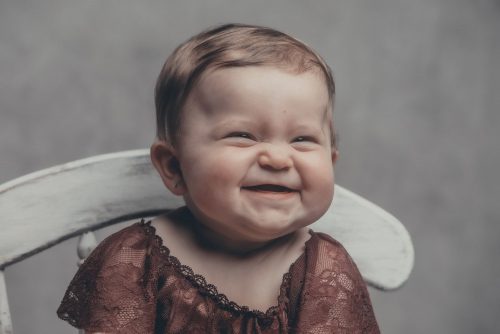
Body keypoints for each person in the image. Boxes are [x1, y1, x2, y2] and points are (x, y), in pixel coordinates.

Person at [57, 23, 380, 333]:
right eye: (243, 135)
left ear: (331, 161)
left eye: (302, 140)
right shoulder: (137, 260)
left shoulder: (323, 268)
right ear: (173, 166)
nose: (279, 158)